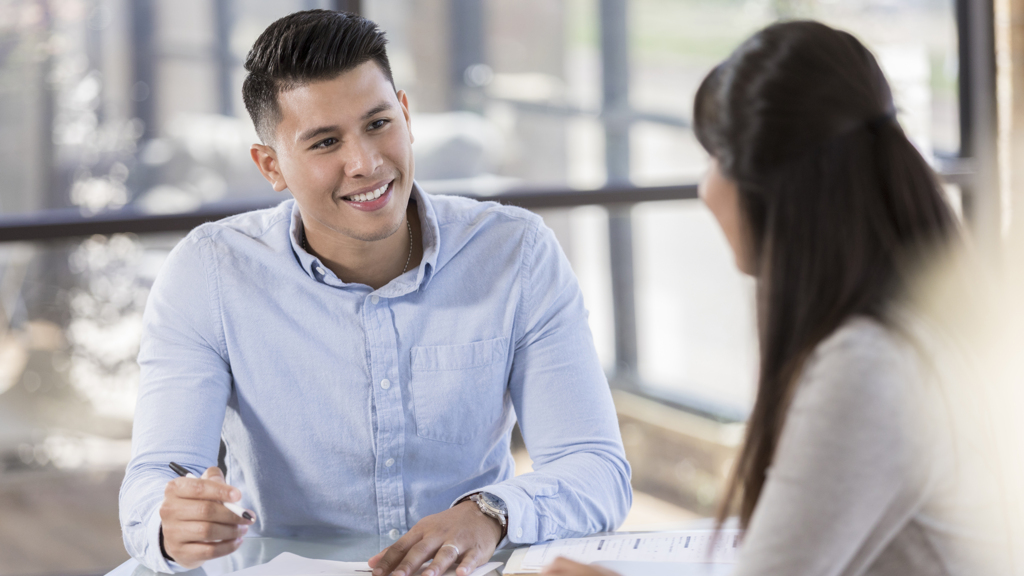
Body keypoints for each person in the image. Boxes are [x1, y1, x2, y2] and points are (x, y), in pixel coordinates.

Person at [118, 9, 631, 575]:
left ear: (406, 116)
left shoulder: (516, 253)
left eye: (378, 124)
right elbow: (155, 480)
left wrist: (490, 512)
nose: (364, 162)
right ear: (271, 166)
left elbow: (596, 468)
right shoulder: (209, 272)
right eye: (325, 142)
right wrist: (173, 527)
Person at [543, 20, 990, 576]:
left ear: (767, 186)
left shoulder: (866, 363)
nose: (706, 188)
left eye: (714, 159)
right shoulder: (912, 323)